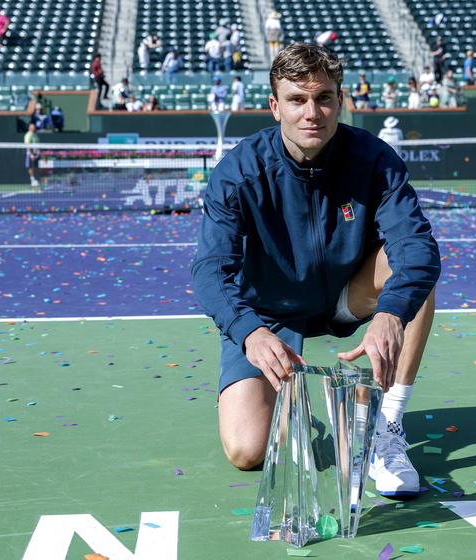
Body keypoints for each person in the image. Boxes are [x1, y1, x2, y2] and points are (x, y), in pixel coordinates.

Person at [190, 43, 441, 499]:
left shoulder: (375, 160)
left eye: (323, 97)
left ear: (340, 101)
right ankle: (292, 407)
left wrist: (391, 313)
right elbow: (210, 269)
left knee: (413, 277)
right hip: (271, 313)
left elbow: (419, 248)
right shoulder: (237, 173)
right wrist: (249, 331)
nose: (312, 112)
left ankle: (386, 426)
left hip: (347, 295)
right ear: (274, 106)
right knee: (247, 450)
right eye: (297, 99)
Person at [24, 123, 40, 188]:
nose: (34, 128)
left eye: (34, 127)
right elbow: (27, 145)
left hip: (37, 153)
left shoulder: (35, 134)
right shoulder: (28, 135)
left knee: (36, 166)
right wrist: (30, 154)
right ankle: (32, 180)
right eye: (32, 127)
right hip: (31, 153)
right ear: (29, 128)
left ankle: (37, 179)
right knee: (31, 167)